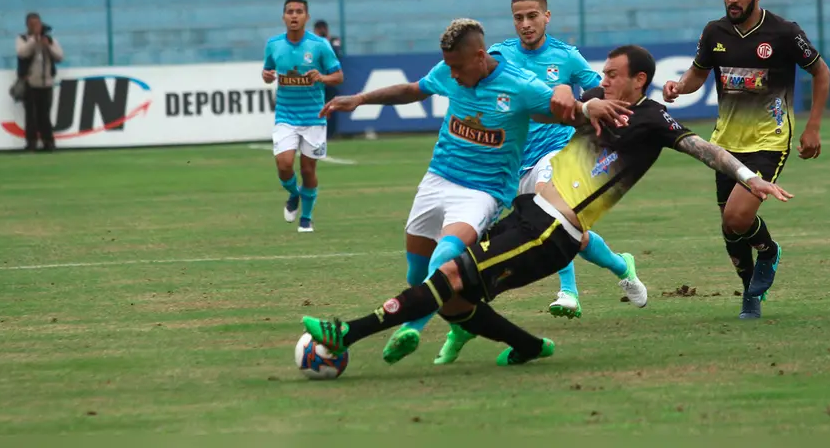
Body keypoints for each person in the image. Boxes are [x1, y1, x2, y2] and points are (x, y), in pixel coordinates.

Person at [300, 45, 792, 366]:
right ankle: (529, 345)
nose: (603, 80)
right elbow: (562, 97)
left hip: (552, 230)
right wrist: (566, 92)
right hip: (529, 213)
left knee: (447, 277)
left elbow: (703, 148)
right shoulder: (597, 102)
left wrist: (748, 177)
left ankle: (346, 332)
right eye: (603, 74)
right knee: (455, 299)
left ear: (639, 80)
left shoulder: (652, 119)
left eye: (613, 75)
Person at [319, 18, 629, 365]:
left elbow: (567, 113)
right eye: (448, 66)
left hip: (484, 192)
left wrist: (575, 99)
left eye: (457, 67)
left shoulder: (520, 85)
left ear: (480, 56)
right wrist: (359, 99)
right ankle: (480, 329)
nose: (451, 74)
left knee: (446, 259)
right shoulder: (448, 70)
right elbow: (413, 90)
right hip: (437, 180)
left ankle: (411, 328)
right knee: (417, 276)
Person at [429, 0, 648, 365]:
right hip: (507, 165)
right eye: (519, 17)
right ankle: (620, 265)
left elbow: (599, 96)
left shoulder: (566, 56)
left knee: (552, 221)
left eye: (533, 16)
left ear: (547, 16)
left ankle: (568, 292)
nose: (526, 24)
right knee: (481, 248)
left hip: (554, 155)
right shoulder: (498, 55)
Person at [663, 0, 830, 319]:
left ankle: (768, 252)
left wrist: (813, 127)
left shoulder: (784, 33)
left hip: (768, 141)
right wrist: (678, 87)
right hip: (724, 143)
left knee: (738, 218)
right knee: (729, 227)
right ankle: (749, 293)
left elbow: (821, 72)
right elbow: (697, 75)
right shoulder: (714, 32)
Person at [262, 0, 343, 233]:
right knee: (284, 164)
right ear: (284, 17)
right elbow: (267, 71)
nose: (294, 15)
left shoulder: (319, 45)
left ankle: (306, 218)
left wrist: (323, 78)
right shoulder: (274, 44)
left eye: (299, 11)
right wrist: (266, 76)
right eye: (290, 11)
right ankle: (294, 194)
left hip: (313, 117)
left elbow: (338, 77)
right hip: (286, 116)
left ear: (306, 17)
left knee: (308, 171)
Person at [15, 12, 64, 152]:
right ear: (28, 25)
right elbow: (21, 53)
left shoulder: (49, 39)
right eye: (32, 24)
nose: (36, 26)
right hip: (30, 82)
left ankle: (48, 142)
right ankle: (31, 143)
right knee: (31, 115)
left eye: (37, 24)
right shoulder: (22, 38)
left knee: (45, 115)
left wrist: (48, 45)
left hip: (46, 82)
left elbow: (60, 56)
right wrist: (33, 41)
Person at [313, 20, 344, 138]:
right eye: (319, 29)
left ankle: (331, 133)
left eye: (323, 28)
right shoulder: (311, 43)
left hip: (331, 80)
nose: (321, 31)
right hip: (316, 82)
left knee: (332, 107)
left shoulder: (333, 41)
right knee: (317, 108)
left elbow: (336, 53)